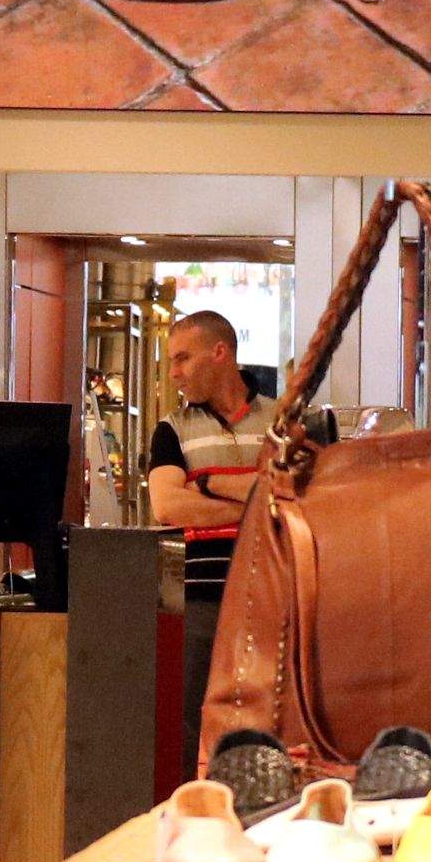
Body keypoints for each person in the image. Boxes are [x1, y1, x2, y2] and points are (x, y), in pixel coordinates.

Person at [145, 309, 322, 767]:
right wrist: (259, 496)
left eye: (183, 358)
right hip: (201, 599)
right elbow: (167, 507)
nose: (175, 372)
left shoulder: (285, 423)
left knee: (279, 720)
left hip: (278, 594)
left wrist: (206, 484)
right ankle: (196, 815)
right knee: (193, 723)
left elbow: (307, 498)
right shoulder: (172, 428)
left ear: (220, 352)